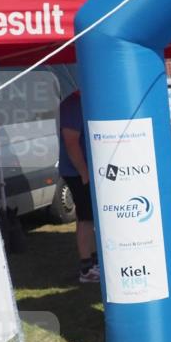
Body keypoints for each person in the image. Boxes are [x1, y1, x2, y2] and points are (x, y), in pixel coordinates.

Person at [58, 90, 99, 283]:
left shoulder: (86, 100)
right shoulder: (73, 104)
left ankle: (94, 262)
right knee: (85, 218)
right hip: (78, 172)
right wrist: (84, 172)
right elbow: (71, 142)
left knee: (91, 217)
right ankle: (86, 269)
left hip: (86, 171)